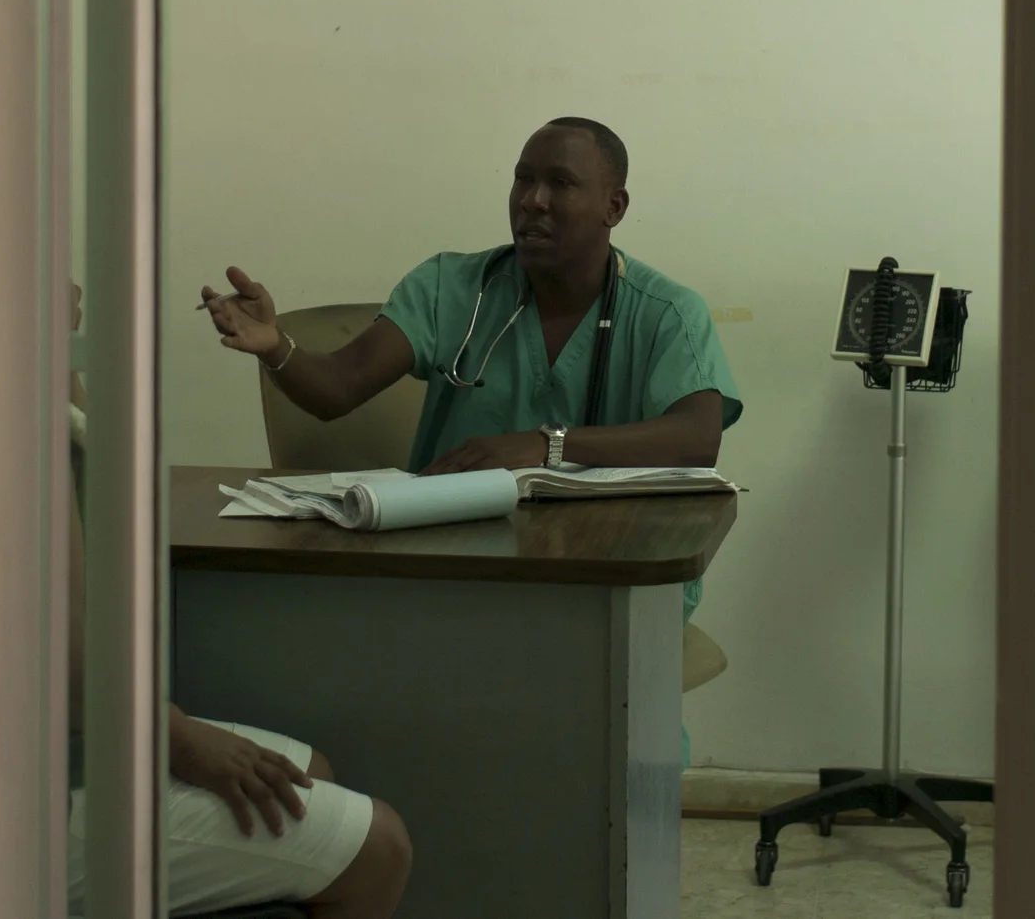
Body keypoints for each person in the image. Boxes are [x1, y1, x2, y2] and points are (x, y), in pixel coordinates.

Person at [199, 116, 742, 624]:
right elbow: (335, 391)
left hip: (608, 576)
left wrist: (545, 444)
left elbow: (696, 438)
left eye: (561, 183)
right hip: (455, 565)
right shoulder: (450, 288)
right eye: (522, 180)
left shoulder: (666, 312)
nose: (533, 201)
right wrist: (276, 348)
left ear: (614, 207)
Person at [66, 291, 412, 918]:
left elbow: (100, 507)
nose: (78, 292)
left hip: (60, 740)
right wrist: (186, 743)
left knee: (312, 772)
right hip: (21, 787)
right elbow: (67, 669)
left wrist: (52, 357)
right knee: (379, 845)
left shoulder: (31, 397)